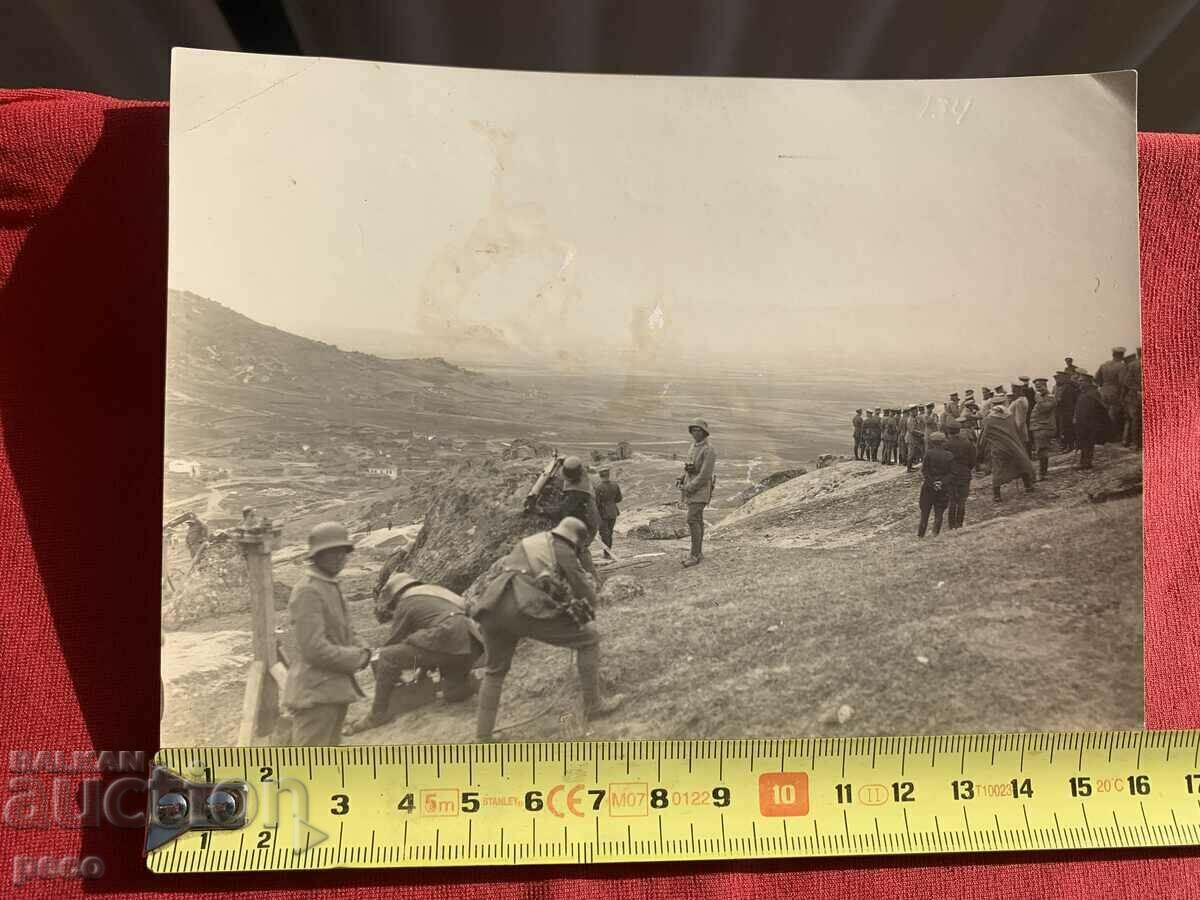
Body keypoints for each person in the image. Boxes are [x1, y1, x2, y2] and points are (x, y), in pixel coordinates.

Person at [471, 518, 624, 741]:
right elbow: (582, 587)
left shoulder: (533, 542)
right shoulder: (563, 549)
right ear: (576, 539)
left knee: (494, 671)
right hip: (521, 605)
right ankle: (594, 705)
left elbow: (540, 580)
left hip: (492, 605)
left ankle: (483, 736)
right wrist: (590, 610)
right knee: (589, 638)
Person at [345, 571, 485, 735]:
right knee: (453, 693)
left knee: (387, 656)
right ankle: (477, 684)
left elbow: (395, 642)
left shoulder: (407, 601)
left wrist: (394, 671)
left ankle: (377, 714)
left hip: (447, 638)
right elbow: (432, 637)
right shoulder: (436, 593)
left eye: (393, 605)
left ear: (396, 596)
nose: (394, 609)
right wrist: (423, 667)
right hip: (470, 644)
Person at [284, 522, 373, 746]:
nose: (338, 557)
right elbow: (315, 650)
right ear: (316, 555)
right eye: (331, 552)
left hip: (334, 692)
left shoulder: (329, 584)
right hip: (316, 695)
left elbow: (345, 630)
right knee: (309, 770)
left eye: (342, 551)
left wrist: (363, 647)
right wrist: (357, 658)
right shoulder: (308, 590)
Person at [976, 406, 1036, 502]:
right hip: (1013, 446)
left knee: (998, 470)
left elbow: (983, 437)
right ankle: (1028, 486)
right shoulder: (1010, 417)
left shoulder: (989, 420)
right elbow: (1017, 431)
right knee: (1021, 465)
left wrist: (980, 451)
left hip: (999, 449)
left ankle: (997, 495)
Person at [681, 418, 717, 567]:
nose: (695, 433)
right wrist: (682, 476)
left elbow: (705, 475)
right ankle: (698, 553)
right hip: (691, 487)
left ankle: (694, 555)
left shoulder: (709, 450)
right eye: (693, 430)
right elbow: (689, 466)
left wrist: (690, 487)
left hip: (700, 490)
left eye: (698, 430)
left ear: (704, 433)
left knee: (692, 519)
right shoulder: (693, 446)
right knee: (698, 520)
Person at [558, 456, 600, 574]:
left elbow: (562, 511)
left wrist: (541, 510)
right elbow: (573, 464)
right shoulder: (581, 474)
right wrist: (564, 462)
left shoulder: (577, 492)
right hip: (588, 517)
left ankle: (592, 577)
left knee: (581, 548)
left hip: (586, 522)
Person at [917, 432, 954, 537]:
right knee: (939, 513)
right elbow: (951, 473)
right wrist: (941, 482)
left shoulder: (928, 454)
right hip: (943, 488)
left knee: (924, 513)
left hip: (928, 487)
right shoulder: (949, 455)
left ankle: (920, 535)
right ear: (943, 442)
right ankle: (935, 534)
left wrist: (933, 482)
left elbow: (925, 471)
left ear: (932, 443)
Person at [943, 420, 977, 529]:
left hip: (950, 476)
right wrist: (966, 469)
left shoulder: (945, 444)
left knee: (952, 500)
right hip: (964, 474)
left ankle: (951, 525)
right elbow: (973, 461)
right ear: (959, 430)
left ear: (949, 431)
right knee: (962, 500)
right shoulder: (967, 443)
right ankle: (959, 524)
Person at [1074, 373, 1108, 470]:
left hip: (1090, 421)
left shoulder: (1093, 392)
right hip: (1081, 421)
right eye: (1079, 380)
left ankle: (1087, 462)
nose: (1079, 382)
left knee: (1088, 442)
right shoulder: (1082, 392)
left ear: (1087, 382)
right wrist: (1075, 416)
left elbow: (1099, 407)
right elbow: (1078, 406)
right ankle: (1083, 462)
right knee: (1083, 441)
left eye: (1081, 380)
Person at [1029, 377, 1058, 480]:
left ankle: (1042, 474)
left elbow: (1045, 408)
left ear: (1045, 386)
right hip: (1039, 427)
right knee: (1040, 451)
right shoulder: (1042, 397)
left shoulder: (1050, 397)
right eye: (1036, 387)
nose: (1038, 389)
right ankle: (1042, 473)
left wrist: (1039, 399)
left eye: (1040, 386)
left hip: (1044, 427)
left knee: (1042, 451)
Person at [1097, 346, 1128, 442]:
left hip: (1103, 391)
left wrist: (1104, 386)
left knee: (1103, 414)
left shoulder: (1104, 365)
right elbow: (1122, 382)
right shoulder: (1121, 366)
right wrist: (1122, 395)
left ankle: (1103, 436)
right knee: (1114, 415)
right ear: (1122, 355)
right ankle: (1112, 437)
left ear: (1113, 354)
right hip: (1115, 392)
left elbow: (1097, 379)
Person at [594, 467, 623, 556]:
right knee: (609, 533)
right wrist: (611, 502)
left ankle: (607, 554)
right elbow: (619, 499)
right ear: (608, 475)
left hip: (602, 513)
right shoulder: (615, 485)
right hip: (613, 512)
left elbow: (596, 503)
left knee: (604, 534)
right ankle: (608, 552)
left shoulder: (598, 488)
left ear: (600, 476)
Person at [1121, 348, 1143, 450]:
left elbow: (1127, 382)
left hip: (1135, 395)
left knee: (1135, 420)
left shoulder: (1132, 365)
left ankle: (1136, 444)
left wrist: (1137, 389)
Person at [1053, 371, 1078, 452]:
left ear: (1064, 378)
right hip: (1063, 411)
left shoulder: (1067, 387)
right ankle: (1065, 445)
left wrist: (1058, 402)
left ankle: (1069, 446)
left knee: (1067, 429)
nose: (1057, 380)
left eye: (1059, 377)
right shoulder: (1061, 387)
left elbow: (1067, 401)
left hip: (1067, 411)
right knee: (1063, 429)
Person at [1008, 383, 1030, 454]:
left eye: (1014, 390)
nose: (1013, 392)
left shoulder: (1019, 401)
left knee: (1021, 452)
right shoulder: (1022, 399)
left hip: (1019, 431)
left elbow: (1019, 420)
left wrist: (1015, 432)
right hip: (1020, 430)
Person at [905, 407, 925, 472]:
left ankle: (910, 467)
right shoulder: (910, 419)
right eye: (915, 411)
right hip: (911, 439)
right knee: (910, 454)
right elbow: (912, 430)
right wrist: (921, 433)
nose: (917, 412)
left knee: (913, 453)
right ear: (912, 412)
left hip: (914, 439)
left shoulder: (914, 418)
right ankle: (909, 468)